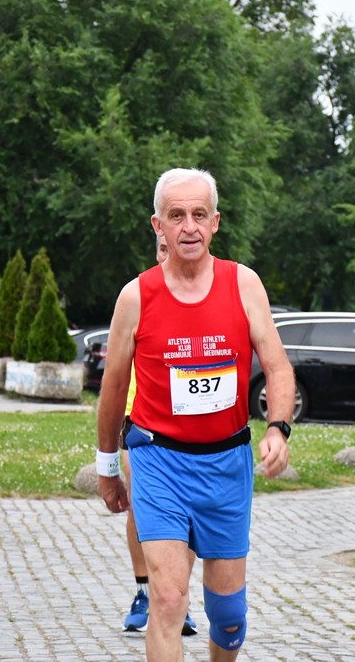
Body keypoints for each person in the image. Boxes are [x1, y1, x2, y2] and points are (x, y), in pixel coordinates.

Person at [97, 168, 295, 660]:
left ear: (215, 223)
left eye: (199, 215)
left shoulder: (243, 284)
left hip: (227, 464)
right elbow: (114, 386)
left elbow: (276, 365)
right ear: (157, 226)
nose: (189, 226)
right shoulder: (136, 296)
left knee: (229, 619)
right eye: (177, 216)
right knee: (168, 598)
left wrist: (278, 428)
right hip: (157, 460)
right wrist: (106, 467)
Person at [119, 236, 198, 636]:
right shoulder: (141, 296)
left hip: (189, 425)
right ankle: (143, 590)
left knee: (187, 515)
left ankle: (175, 594)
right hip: (141, 421)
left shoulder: (201, 297)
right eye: (163, 249)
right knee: (140, 504)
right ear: (157, 250)